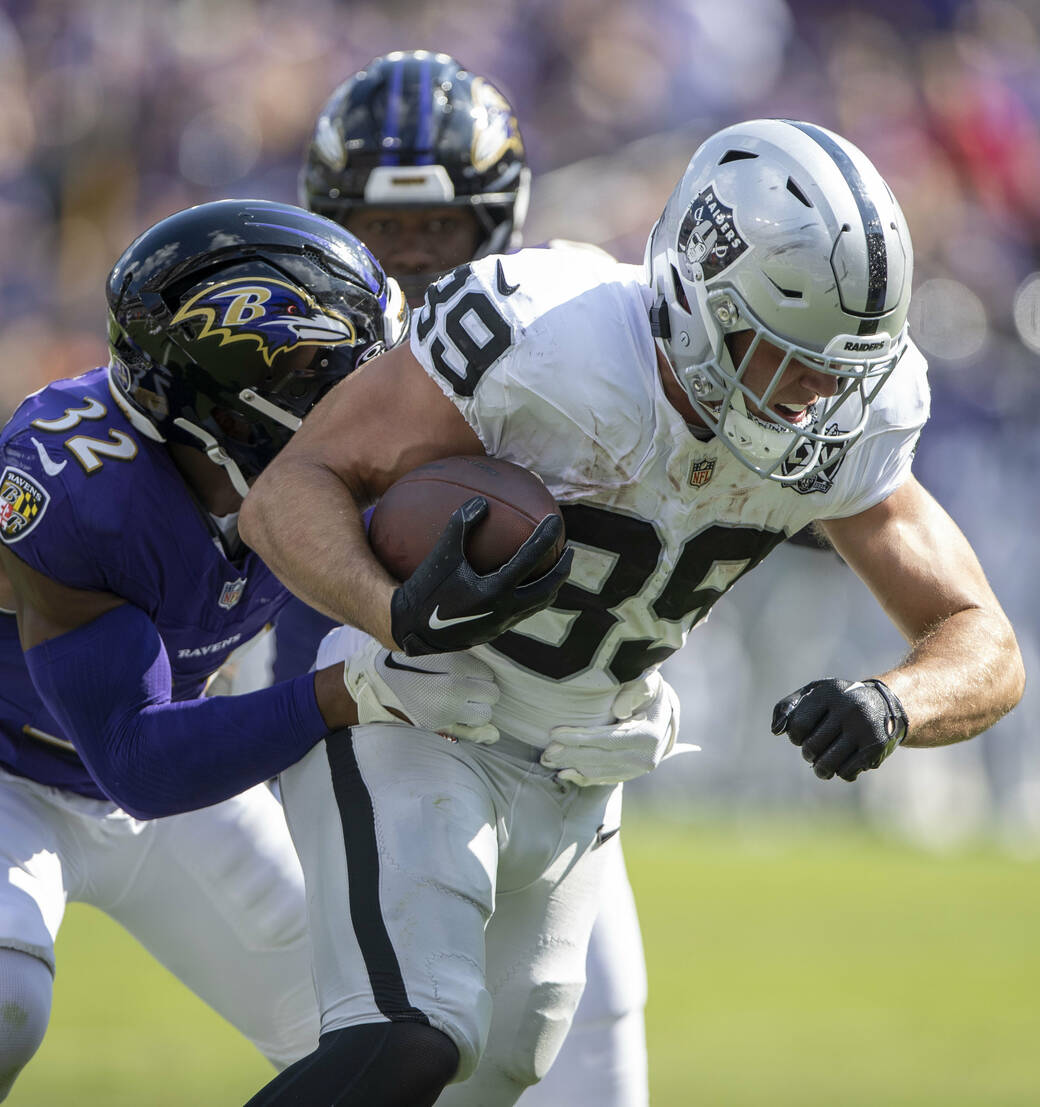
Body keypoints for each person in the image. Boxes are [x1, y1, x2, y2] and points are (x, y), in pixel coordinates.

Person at [236, 119, 1026, 1106]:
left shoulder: (852, 410)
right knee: (411, 1039)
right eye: (781, 353)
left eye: (839, 366)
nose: (816, 395)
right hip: (418, 710)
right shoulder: (547, 337)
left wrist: (894, 703)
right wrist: (391, 611)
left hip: (583, 757)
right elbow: (291, 489)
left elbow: (983, 639)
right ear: (699, 291)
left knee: (499, 1078)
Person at [0, 198, 556, 1106]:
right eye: (325, 375)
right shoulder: (78, 487)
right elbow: (140, 757)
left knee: (364, 1026)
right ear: (233, 400)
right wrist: (348, 693)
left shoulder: (273, 463)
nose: (363, 399)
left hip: (170, 771)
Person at [276, 50, 652, 1106]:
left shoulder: (550, 351)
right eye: (382, 228)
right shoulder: (294, 349)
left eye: (434, 230)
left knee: (594, 1074)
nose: (404, 259)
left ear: (493, 225)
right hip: (372, 747)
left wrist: (638, 678)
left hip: (554, 767)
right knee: (396, 1056)